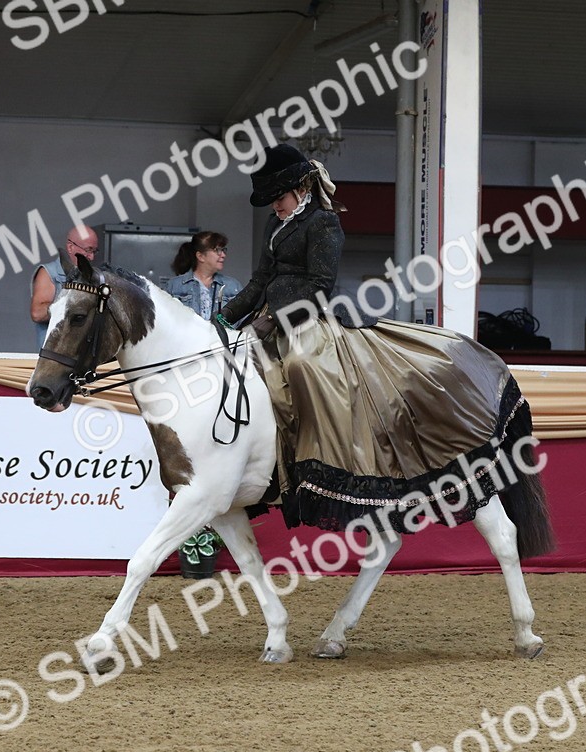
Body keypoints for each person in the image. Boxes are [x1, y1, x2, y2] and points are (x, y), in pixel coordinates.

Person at [218, 144, 530, 532]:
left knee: (301, 367)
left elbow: (319, 286)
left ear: (300, 188)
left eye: (277, 198)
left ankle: (314, 463)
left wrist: (276, 321)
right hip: (268, 319)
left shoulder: (323, 222)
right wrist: (222, 318)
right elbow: (260, 280)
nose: (274, 207)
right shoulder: (275, 225)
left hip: (306, 319)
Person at [31, 226, 98, 350]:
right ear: (70, 247)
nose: (92, 257)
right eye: (88, 250)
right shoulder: (49, 273)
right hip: (54, 358)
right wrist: (75, 306)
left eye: (94, 251)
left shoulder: (93, 277)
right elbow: (38, 313)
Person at [167, 231, 242, 320]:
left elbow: (243, 322)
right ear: (200, 256)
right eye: (217, 250)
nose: (223, 255)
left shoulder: (233, 286)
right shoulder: (174, 286)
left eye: (223, 250)